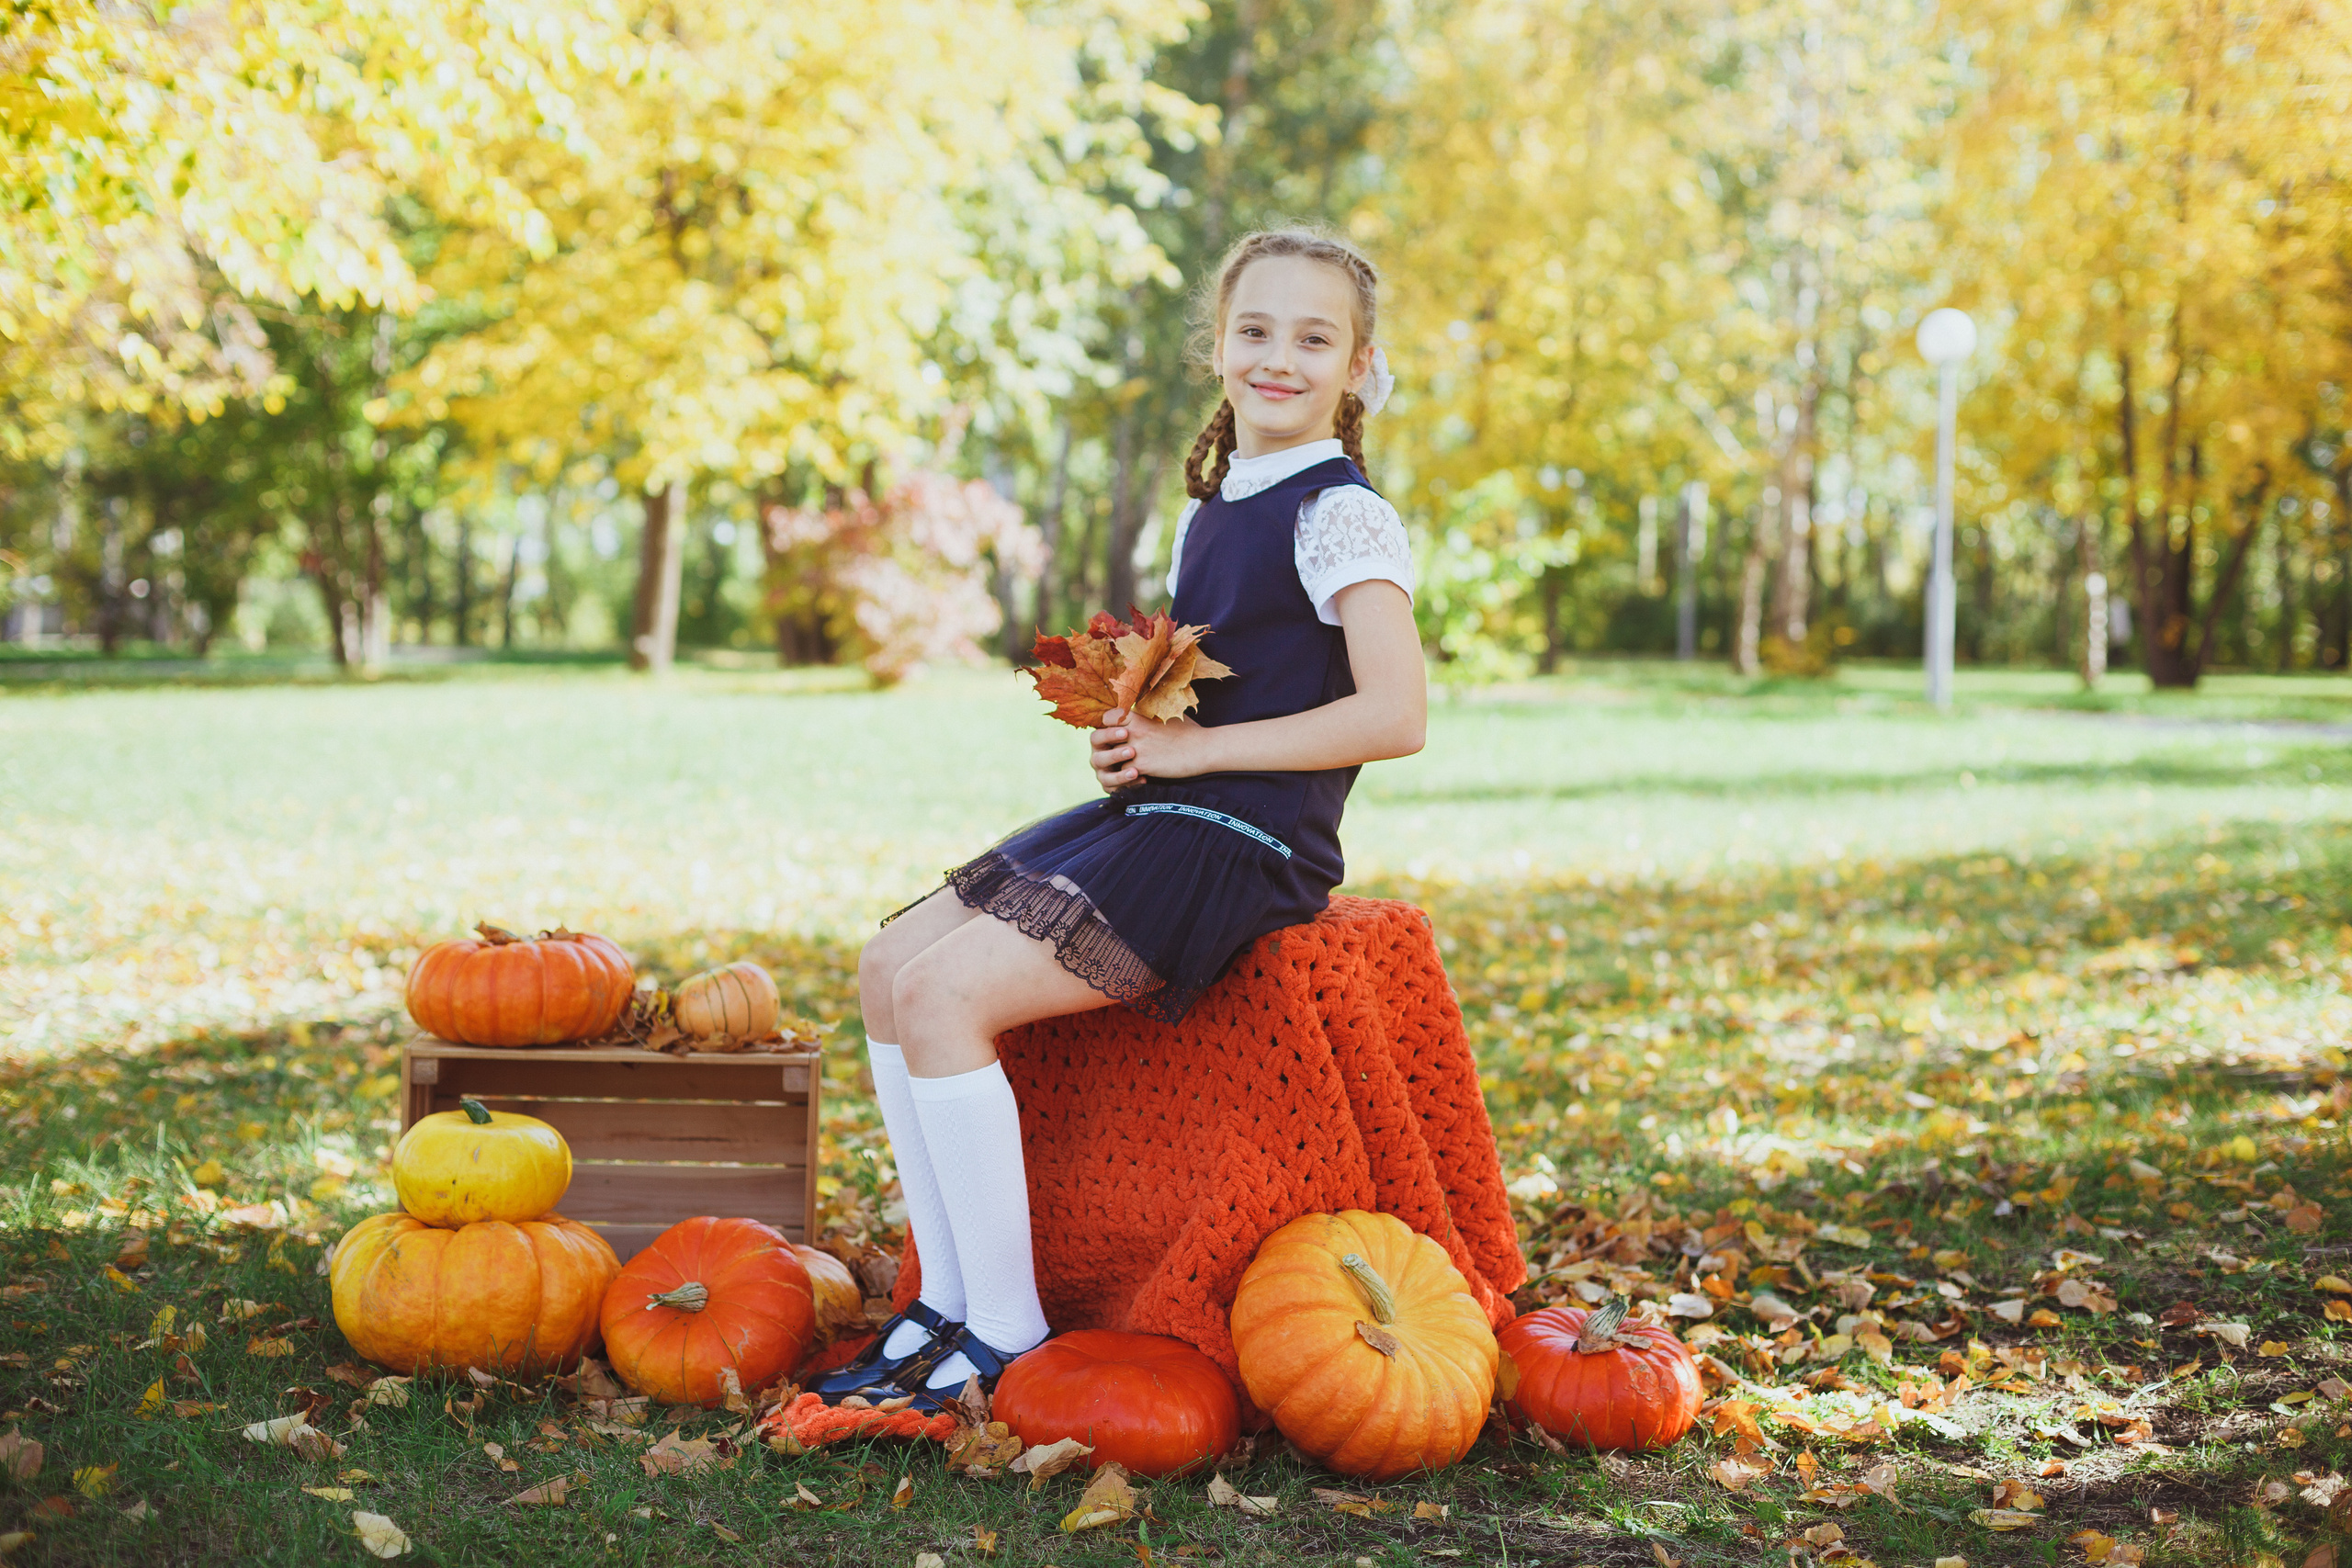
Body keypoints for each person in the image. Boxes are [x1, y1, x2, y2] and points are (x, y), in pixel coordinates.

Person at [823, 227, 1426, 1409]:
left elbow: (1395, 714)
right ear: (1218, 347)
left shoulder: (1341, 515)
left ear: (1357, 367)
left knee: (945, 997)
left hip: (1248, 846)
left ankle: (1008, 1332)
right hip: (1174, 812)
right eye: (1255, 331)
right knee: (889, 967)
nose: (1279, 358)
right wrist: (1139, 736)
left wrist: (1198, 753)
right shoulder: (1217, 506)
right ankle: (943, 1302)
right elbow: (1226, 687)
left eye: (1314, 339)